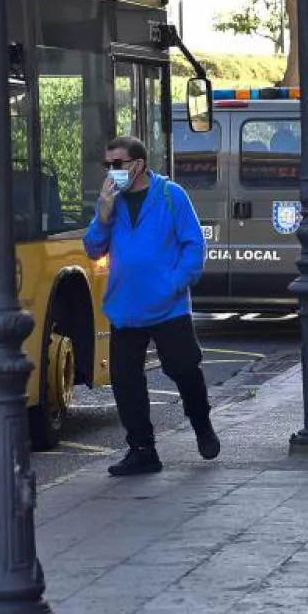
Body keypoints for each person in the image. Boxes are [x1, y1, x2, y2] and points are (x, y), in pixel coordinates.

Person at [83, 135, 218, 476]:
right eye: (107, 165)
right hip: (125, 306)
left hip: (168, 306)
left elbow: (193, 245)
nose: (112, 171)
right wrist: (102, 214)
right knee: (125, 380)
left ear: (138, 164)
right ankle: (142, 449)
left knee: (185, 368)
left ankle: (201, 424)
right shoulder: (110, 201)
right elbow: (93, 249)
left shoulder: (171, 195)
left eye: (118, 164)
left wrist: (173, 284)